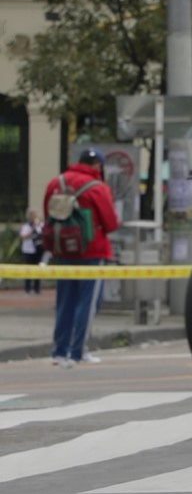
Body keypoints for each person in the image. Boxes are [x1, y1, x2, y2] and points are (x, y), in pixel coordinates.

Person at [45, 148, 119, 368]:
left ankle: (59, 351)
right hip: (92, 251)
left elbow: (48, 213)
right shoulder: (98, 188)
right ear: (98, 166)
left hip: (62, 250)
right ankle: (77, 352)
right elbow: (111, 223)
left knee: (64, 301)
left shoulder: (55, 183)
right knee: (87, 303)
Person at [19, 209, 44, 294]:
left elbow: (42, 234)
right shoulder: (25, 226)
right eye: (31, 216)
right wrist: (32, 230)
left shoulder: (39, 225)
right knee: (28, 270)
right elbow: (23, 237)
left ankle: (37, 288)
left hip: (38, 251)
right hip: (28, 251)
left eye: (34, 215)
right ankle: (27, 288)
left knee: (37, 270)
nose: (32, 217)